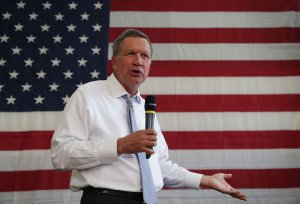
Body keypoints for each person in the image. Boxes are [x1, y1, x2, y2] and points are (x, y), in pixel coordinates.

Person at [51, 28, 247, 204]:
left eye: (145, 56)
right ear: (115, 61)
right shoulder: (88, 95)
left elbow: (157, 165)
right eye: (131, 54)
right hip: (105, 199)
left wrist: (205, 180)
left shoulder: (145, 108)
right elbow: (61, 155)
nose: (138, 61)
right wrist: (119, 146)